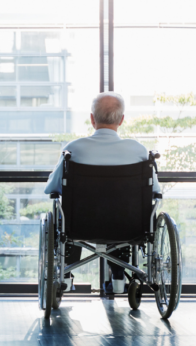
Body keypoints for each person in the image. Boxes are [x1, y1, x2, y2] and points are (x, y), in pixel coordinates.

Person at [44, 91, 161, 295]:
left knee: (65, 215)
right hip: (129, 227)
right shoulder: (139, 151)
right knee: (121, 216)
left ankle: (64, 275)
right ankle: (118, 277)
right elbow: (156, 192)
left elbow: (52, 189)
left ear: (92, 119)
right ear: (122, 120)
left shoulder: (73, 150)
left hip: (80, 227)